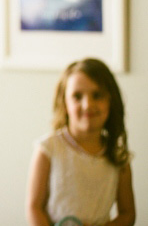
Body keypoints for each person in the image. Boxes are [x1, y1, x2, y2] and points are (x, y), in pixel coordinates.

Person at [26, 58, 135, 226]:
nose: (87, 105)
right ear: (64, 102)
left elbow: (128, 214)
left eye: (97, 95)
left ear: (111, 100)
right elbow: (34, 208)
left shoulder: (118, 156)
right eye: (77, 96)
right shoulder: (48, 149)